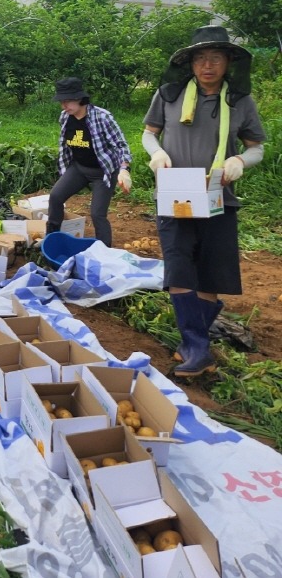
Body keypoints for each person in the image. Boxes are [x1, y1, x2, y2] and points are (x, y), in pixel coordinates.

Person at [143, 25, 266, 378]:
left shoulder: (239, 102)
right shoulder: (169, 94)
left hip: (217, 195)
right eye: (200, 58)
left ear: (228, 62)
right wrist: (157, 153)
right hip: (175, 193)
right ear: (190, 63)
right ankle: (199, 347)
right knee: (179, 265)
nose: (207, 65)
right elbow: (149, 133)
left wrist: (240, 161)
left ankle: (191, 344)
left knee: (211, 271)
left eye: (215, 57)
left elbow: (256, 146)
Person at [46, 77, 132, 246]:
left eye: (68, 101)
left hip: (103, 172)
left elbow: (121, 145)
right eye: (61, 102)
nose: (64, 106)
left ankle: (104, 251)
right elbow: (65, 146)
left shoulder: (102, 117)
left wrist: (124, 169)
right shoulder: (65, 117)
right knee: (55, 197)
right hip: (79, 168)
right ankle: (51, 238)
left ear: (79, 99)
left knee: (97, 214)